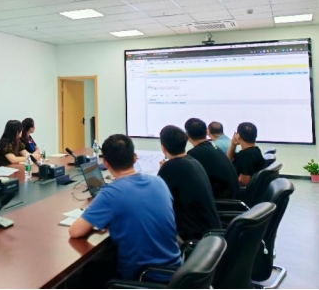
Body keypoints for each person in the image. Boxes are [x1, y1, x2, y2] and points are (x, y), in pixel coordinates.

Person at [69, 134, 181, 284]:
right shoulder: (159, 182)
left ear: (106, 163)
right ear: (135, 158)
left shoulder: (111, 193)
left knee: (88, 273)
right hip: (174, 271)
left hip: (145, 276)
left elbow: (75, 231)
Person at [158, 125, 221, 241]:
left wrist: (164, 169)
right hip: (210, 232)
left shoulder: (170, 168)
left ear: (163, 148)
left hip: (192, 235)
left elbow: (157, 201)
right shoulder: (193, 162)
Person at [185, 118, 240, 200]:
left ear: (187, 135)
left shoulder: (194, 154)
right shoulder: (213, 147)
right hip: (232, 197)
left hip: (221, 201)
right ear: (206, 132)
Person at [228, 122, 266, 186]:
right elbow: (228, 160)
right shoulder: (255, 150)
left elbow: (243, 181)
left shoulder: (246, 156)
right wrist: (233, 144)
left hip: (236, 190)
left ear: (238, 136)